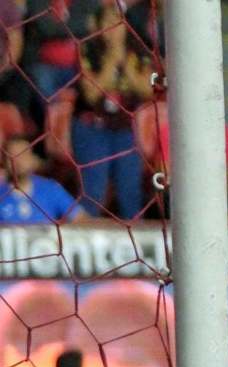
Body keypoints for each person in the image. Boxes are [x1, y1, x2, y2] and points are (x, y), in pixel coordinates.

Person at [72, 2, 153, 219]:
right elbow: (91, 95)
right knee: (93, 192)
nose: (113, 27)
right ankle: (87, 243)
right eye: (107, 22)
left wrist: (125, 64)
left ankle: (135, 243)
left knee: (130, 193)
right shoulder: (87, 48)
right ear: (98, 25)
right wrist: (111, 60)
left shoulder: (138, 50)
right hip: (91, 127)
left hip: (124, 129)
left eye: (118, 23)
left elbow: (146, 90)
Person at [0, 136, 82, 224]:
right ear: (4, 161)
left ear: (32, 159)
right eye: (11, 156)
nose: (17, 162)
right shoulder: (2, 192)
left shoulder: (50, 188)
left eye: (23, 155)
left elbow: (80, 218)